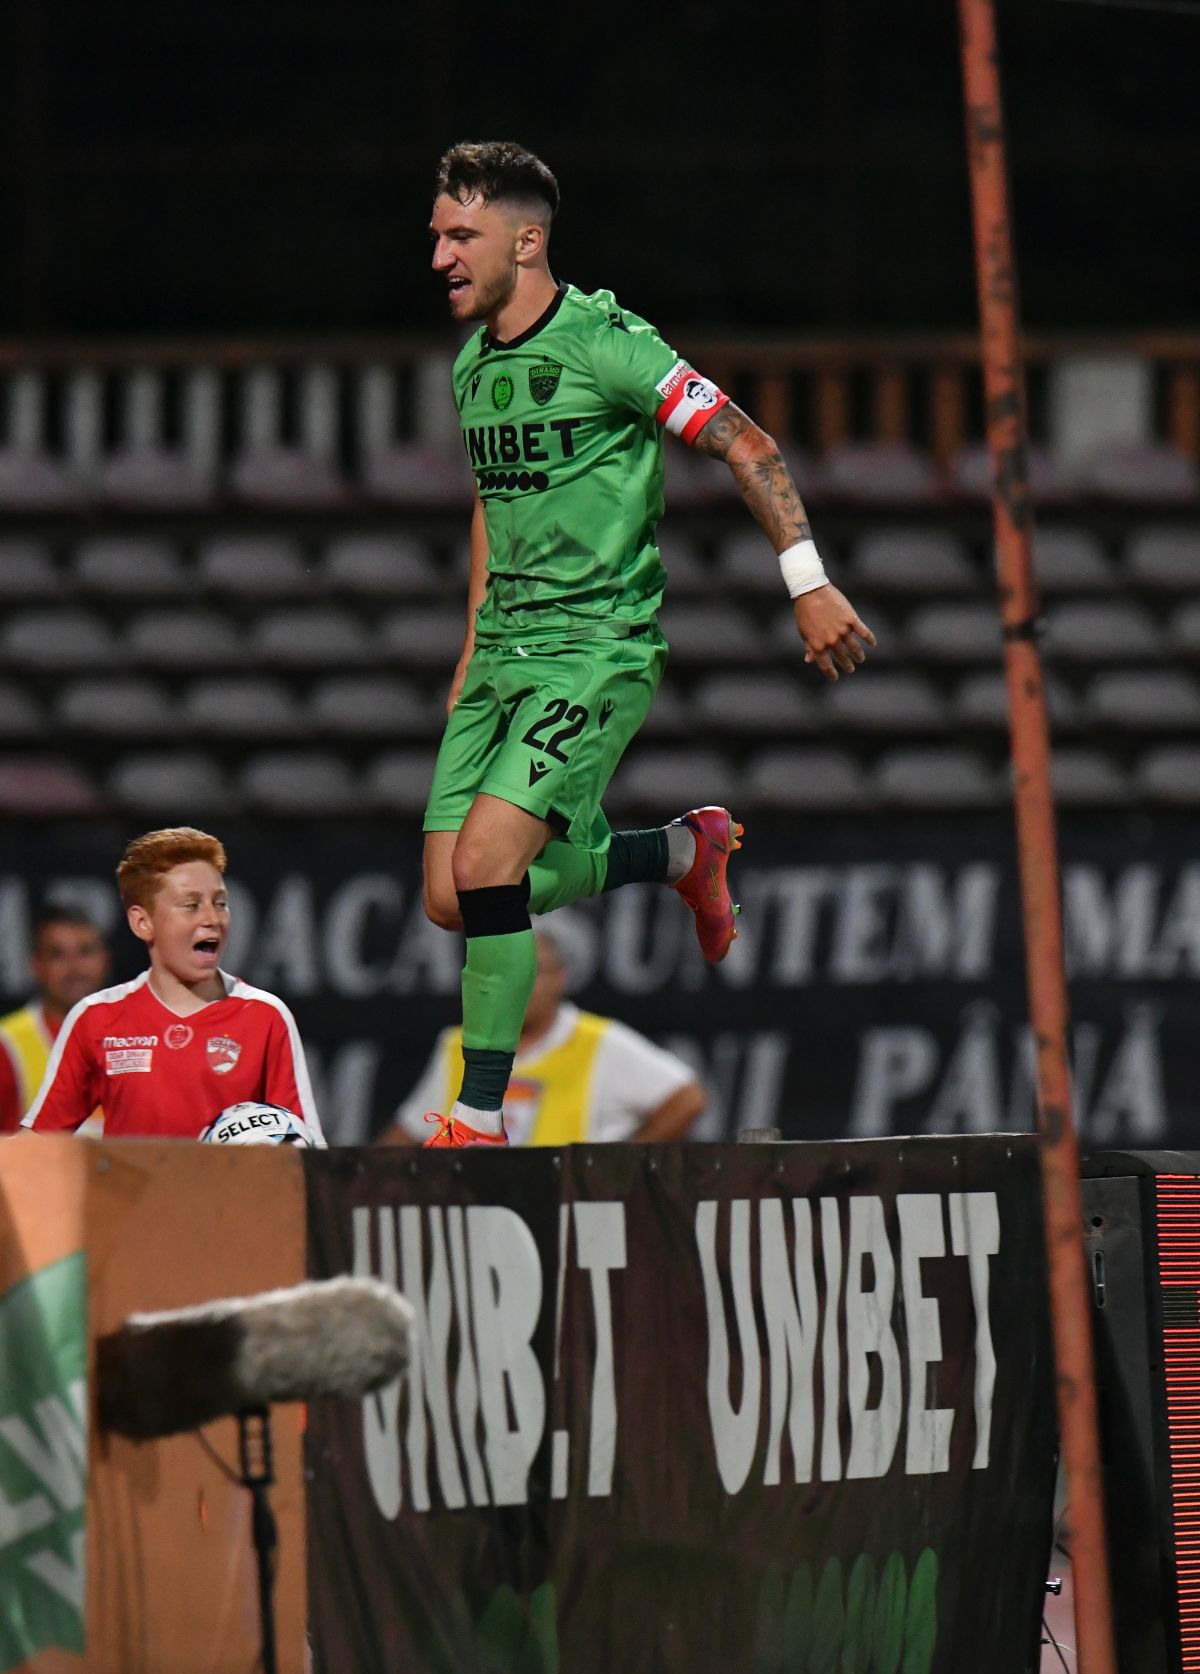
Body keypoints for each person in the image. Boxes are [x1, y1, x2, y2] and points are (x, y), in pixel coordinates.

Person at [422, 140, 874, 1150]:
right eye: (438, 236)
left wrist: (809, 583)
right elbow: (494, 512)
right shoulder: (473, 364)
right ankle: (682, 850)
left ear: (527, 240)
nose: (442, 256)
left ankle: (478, 1118)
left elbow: (748, 443)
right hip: (502, 656)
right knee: (452, 896)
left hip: (594, 648)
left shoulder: (608, 343)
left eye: (463, 235)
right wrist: (468, 650)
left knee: (492, 864)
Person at [21, 826, 325, 1143]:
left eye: (220, 903)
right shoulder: (96, 1018)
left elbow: (305, 1151)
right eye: (191, 905)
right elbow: (37, 1147)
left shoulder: (265, 1016)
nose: (212, 918)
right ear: (143, 923)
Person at [380, 920, 706, 1147]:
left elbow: (686, 1100)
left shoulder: (597, 1042)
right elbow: (407, 1135)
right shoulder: (460, 1045)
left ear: (560, 978)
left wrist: (618, 1171)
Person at [0, 904, 111, 1134]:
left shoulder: (138, 1037)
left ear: (105, 960)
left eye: (86, 951)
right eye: (58, 954)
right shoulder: (7, 1045)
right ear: (36, 966)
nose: (75, 968)